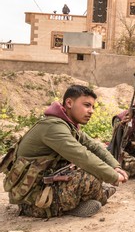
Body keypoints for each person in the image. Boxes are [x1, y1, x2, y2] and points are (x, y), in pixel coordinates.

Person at [1, 85, 128, 218]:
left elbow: (94, 147)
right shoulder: (53, 127)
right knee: (91, 178)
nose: (91, 111)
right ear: (69, 103)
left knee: (92, 175)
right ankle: (65, 207)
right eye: (86, 105)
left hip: (44, 184)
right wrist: (113, 176)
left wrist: (115, 166)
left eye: (93, 107)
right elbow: (82, 156)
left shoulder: (67, 125)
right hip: (31, 199)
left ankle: (93, 196)